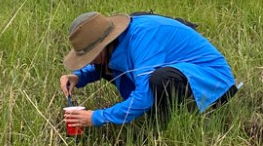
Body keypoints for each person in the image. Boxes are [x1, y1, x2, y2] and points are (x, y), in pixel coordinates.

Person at [60, 11, 238, 131]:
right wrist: (78, 77)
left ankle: (183, 126)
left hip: (214, 84)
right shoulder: (117, 42)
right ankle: (158, 119)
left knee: (160, 80)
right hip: (185, 75)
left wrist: (96, 117)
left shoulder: (143, 37)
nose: (89, 61)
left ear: (104, 44)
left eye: (91, 55)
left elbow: (143, 97)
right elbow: (107, 63)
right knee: (113, 69)